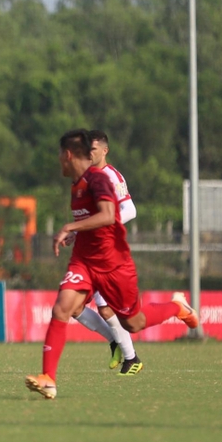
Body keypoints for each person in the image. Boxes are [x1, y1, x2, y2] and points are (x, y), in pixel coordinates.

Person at [25, 130, 198, 399]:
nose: (58, 160)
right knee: (64, 308)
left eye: (60, 155)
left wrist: (71, 226)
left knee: (134, 322)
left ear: (69, 155)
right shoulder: (77, 184)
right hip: (84, 262)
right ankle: (48, 378)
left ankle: (176, 307)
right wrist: (76, 232)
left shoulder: (101, 179)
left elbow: (109, 215)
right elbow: (93, 218)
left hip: (113, 264)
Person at [70, 130, 142, 375]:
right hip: (88, 252)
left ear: (104, 151)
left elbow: (130, 210)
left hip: (105, 253)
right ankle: (118, 345)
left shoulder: (111, 176)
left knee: (107, 309)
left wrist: (106, 223)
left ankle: (131, 357)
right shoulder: (87, 178)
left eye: (93, 149)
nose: (89, 153)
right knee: (75, 308)